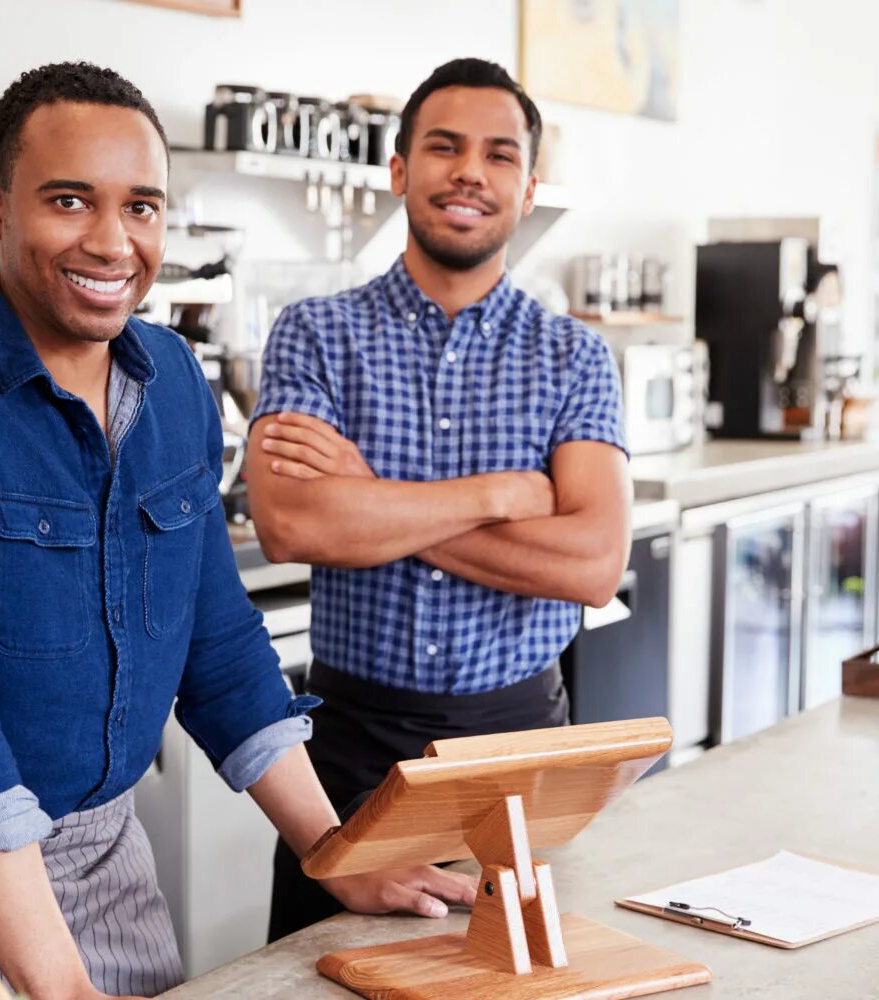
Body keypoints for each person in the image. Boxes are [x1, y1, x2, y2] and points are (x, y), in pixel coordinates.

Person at [0, 61, 472, 1000]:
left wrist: (331, 850)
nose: (113, 243)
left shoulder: (171, 379)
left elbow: (219, 644)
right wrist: (64, 988)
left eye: (143, 208)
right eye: (70, 201)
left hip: (107, 859)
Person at [249, 58, 631, 942]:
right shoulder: (316, 333)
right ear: (399, 171)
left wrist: (373, 503)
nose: (470, 171)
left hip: (517, 759)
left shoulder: (573, 357)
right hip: (347, 759)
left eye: (499, 155)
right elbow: (292, 523)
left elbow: (591, 562)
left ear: (528, 187)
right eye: (444, 147)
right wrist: (499, 496)